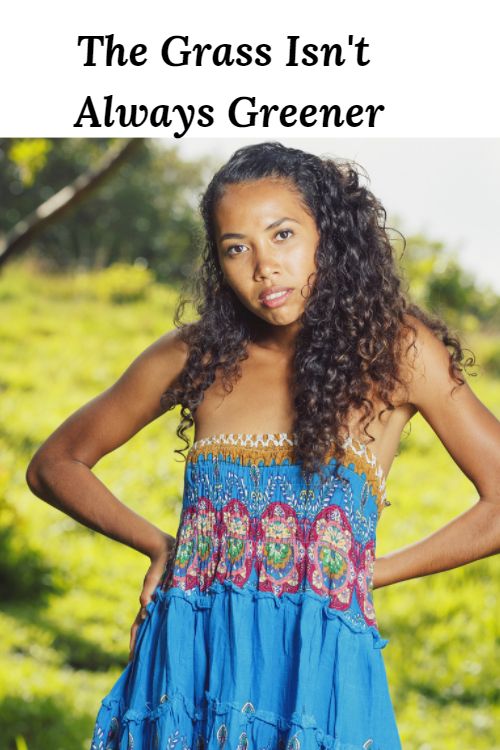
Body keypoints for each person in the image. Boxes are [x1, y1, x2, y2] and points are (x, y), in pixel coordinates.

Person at [26, 142, 500, 750]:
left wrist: (369, 574)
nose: (263, 267)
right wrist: (158, 546)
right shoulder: (195, 356)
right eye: (236, 247)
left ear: (328, 233)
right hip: (190, 658)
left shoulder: (397, 352)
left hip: (318, 668)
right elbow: (54, 465)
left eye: (282, 235)